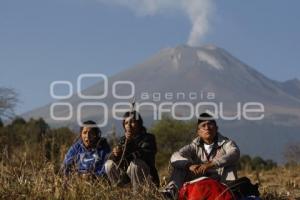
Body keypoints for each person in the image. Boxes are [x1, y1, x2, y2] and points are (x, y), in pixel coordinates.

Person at [162, 112, 240, 199]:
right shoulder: (193, 146)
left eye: (210, 124)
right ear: (198, 132)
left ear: (216, 128)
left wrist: (212, 164)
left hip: (221, 183)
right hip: (198, 182)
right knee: (179, 165)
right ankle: (172, 193)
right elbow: (175, 156)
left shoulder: (227, 143)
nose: (207, 128)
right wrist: (189, 165)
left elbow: (234, 153)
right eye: (203, 125)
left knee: (230, 165)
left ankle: (230, 193)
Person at [104, 111, 160, 192]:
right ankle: (122, 193)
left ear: (139, 123)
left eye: (133, 122)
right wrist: (115, 154)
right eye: (126, 123)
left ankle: (139, 195)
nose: (129, 125)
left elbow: (145, 155)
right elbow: (119, 161)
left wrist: (130, 143)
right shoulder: (123, 140)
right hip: (127, 180)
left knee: (135, 164)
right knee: (109, 164)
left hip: (147, 180)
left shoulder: (148, 138)